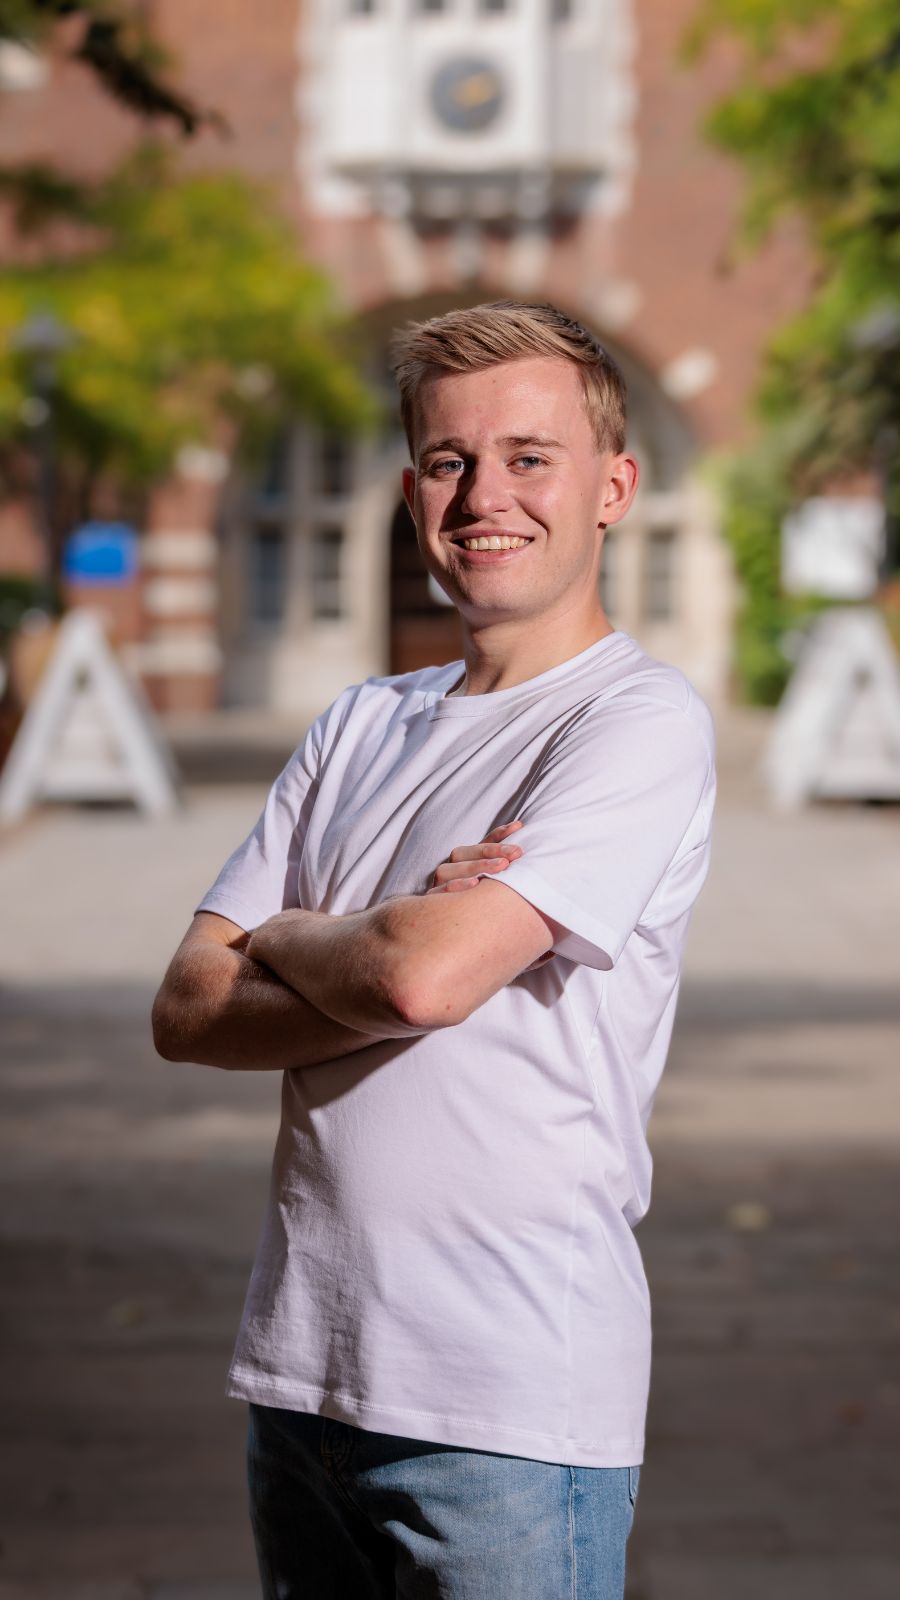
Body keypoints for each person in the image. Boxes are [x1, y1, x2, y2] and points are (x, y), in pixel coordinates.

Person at [152, 300, 716, 1599]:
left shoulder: (634, 723)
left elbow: (423, 975)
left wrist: (290, 935)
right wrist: (391, 935)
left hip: (507, 1404)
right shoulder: (359, 724)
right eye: (452, 462)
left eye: (531, 457)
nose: (485, 496)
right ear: (415, 496)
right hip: (306, 1374)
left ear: (613, 487)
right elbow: (186, 1007)